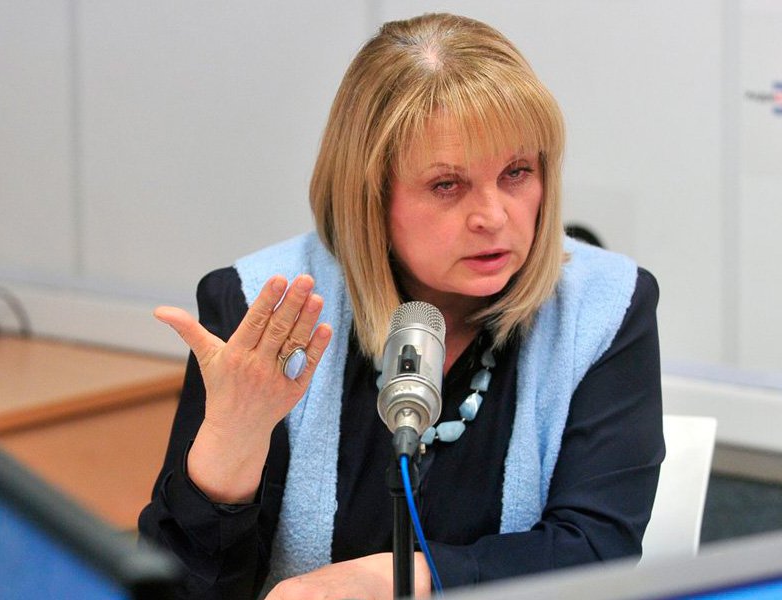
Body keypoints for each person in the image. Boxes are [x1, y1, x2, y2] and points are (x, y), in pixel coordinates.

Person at [139, 12, 664, 600]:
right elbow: (178, 591)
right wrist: (228, 451)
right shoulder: (264, 306)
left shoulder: (605, 306)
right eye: (447, 185)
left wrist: (398, 579)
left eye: (517, 172)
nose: (493, 216)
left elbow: (596, 552)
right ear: (368, 196)